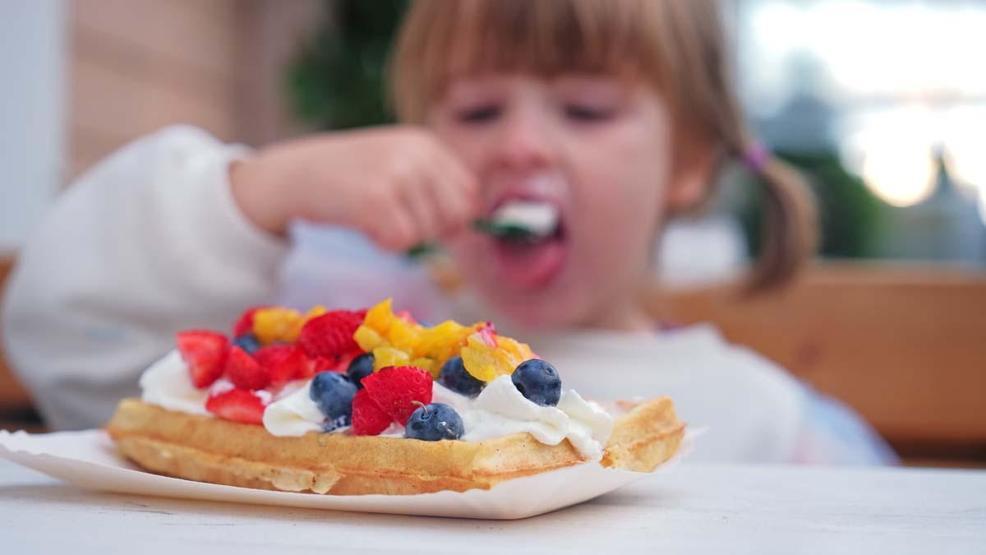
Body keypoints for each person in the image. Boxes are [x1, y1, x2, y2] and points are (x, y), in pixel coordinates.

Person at [2, 0, 894, 464]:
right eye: (475, 109)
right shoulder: (333, 357)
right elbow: (64, 330)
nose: (517, 144)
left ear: (691, 158)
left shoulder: (766, 423)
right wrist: (264, 187)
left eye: (584, 109)